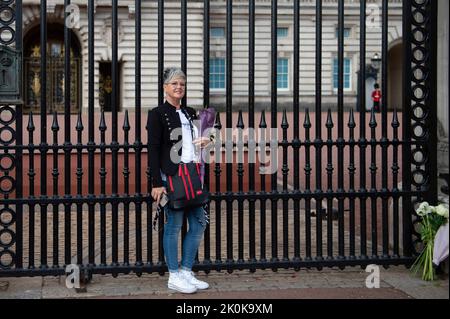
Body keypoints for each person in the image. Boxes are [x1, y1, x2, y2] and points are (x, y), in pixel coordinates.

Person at [149, 67, 210, 294]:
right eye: (174, 83)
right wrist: (156, 182)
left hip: (192, 175)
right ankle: (174, 275)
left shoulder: (190, 113)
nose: (178, 87)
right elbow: (153, 149)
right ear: (165, 87)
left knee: (198, 223)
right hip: (172, 176)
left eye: (182, 84)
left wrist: (207, 140)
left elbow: (207, 137)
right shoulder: (157, 114)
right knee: (173, 226)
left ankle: (186, 271)